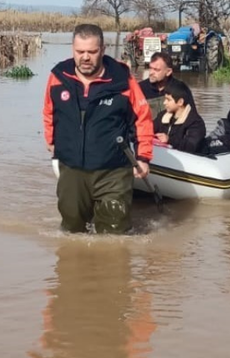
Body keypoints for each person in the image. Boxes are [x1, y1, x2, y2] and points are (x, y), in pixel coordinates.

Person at [43, 23, 153, 234]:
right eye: (80, 51)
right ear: (72, 50)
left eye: (92, 52)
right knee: (71, 231)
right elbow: (48, 111)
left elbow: (142, 118)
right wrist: (50, 140)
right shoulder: (58, 76)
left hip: (113, 170)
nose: (85, 57)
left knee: (115, 235)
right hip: (72, 168)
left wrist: (144, 157)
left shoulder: (122, 79)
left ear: (103, 50)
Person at [153, 78, 206, 154]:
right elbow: (150, 128)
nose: (164, 103)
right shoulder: (162, 116)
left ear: (180, 102)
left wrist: (169, 140)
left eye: (168, 100)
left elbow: (191, 146)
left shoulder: (195, 122)